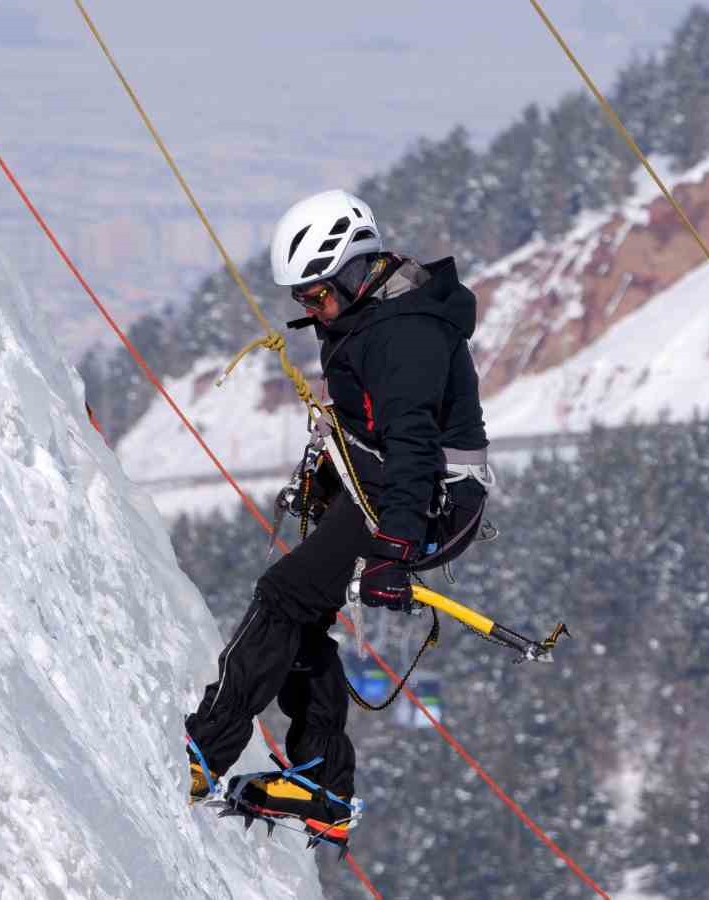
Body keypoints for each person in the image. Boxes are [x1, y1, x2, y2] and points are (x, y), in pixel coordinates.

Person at [183, 189, 492, 843]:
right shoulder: (369, 318)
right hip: (390, 489)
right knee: (300, 611)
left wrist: (396, 548)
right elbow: (368, 423)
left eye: (317, 294)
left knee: (283, 596)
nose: (310, 310)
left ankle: (204, 750)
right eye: (302, 299)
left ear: (357, 274)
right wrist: (326, 478)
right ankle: (320, 780)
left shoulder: (405, 335)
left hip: (428, 502)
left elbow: (411, 443)